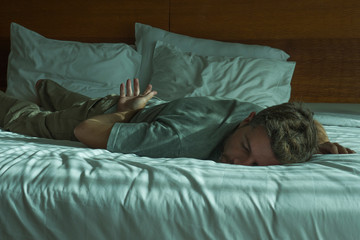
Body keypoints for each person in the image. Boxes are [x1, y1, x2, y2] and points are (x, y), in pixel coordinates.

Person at [0, 79, 355, 166]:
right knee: (28, 120)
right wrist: (124, 112)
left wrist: (315, 141)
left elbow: (304, 120)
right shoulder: (184, 140)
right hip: (112, 114)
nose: (241, 165)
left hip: (151, 108)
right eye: (245, 148)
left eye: (258, 164)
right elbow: (85, 132)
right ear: (248, 120)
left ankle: (48, 86)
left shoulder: (269, 119)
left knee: (76, 101)